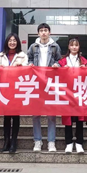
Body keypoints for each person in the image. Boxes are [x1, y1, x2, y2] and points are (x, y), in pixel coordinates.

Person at [27, 23, 62, 152]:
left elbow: (59, 60)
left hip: (50, 83)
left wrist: (57, 65)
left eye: (45, 30)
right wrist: (30, 64)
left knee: (51, 114)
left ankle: (51, 142)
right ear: (38, 33)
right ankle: (38, 141)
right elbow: (29, 59)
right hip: (36, 83)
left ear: (49, 32)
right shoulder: (33, 46)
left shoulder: (55, 46)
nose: (43, 32)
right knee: (36, 114)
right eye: (41, 30)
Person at [0, 33, 28, 154]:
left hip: (17, 88)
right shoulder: (0, 55)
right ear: (7, 42)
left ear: (17, 42)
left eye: (14, 40)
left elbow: (26, 70)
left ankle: (14, 142)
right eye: (10, 40)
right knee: (6, 117)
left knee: (16, 116)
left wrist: (21, 66)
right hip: (4, 88)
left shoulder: (22, 55)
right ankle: (6, 142)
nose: (12, 43)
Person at [57, 38, 87, 154]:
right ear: (69, 47)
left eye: (76, 45)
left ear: (79, 47)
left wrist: (85, 69)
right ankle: (69, 143)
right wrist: (60, 69)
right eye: (72, 45)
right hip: (67, 93)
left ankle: (79, 143)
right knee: (68, 120)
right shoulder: (63, 61)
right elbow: (56, 72)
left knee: (80, 120)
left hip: (80, 92)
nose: (74, 47)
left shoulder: (83, 61)